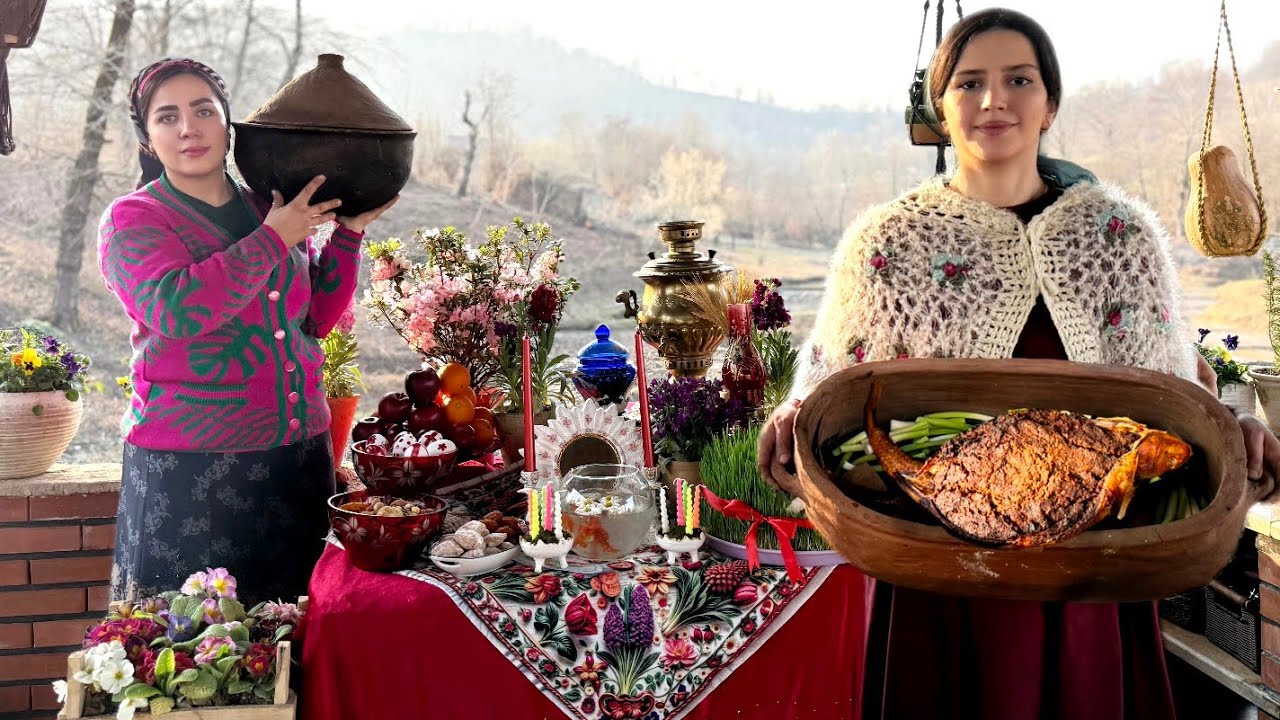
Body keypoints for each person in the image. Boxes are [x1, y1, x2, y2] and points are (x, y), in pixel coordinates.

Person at [757, 9, 1280, 719]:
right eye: (969, 83)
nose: (993, 100)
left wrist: (1237, 434)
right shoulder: (886, 243)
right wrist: (793, 419)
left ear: (1050, 105)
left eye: (1019, 80)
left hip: (1087, 572)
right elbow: (830, 395)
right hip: (936, 571)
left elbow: (1177, 408)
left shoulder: (1118, 237)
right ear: (941, 109)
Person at [99, 58, 397, 604]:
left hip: (297, 459)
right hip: (191, 472)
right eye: (167, 117)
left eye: (203, 111)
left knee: (296, 629)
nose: (188, 129)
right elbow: (178, 310)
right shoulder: (133, 219)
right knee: (197, 641)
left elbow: (315, 319)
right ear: (147, 137)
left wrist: (349, 234)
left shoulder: (270, 206)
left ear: (228, 124)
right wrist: (274, 239)